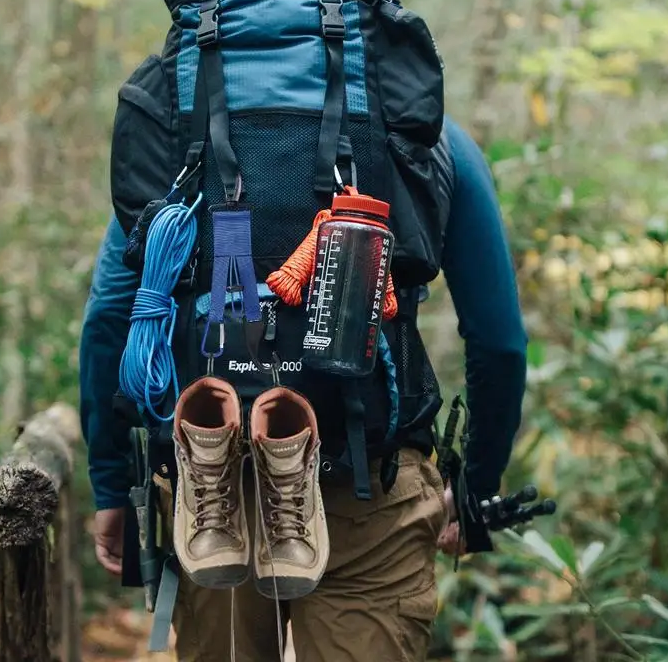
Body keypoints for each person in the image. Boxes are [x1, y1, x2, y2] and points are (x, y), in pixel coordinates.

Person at [79, 114, 527, 661]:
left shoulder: (181, 125)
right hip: (369, 486)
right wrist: (475, 487)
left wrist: (111, 483)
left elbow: (109, 318)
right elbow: (499, 341)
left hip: (217, 494)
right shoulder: (425, 131)